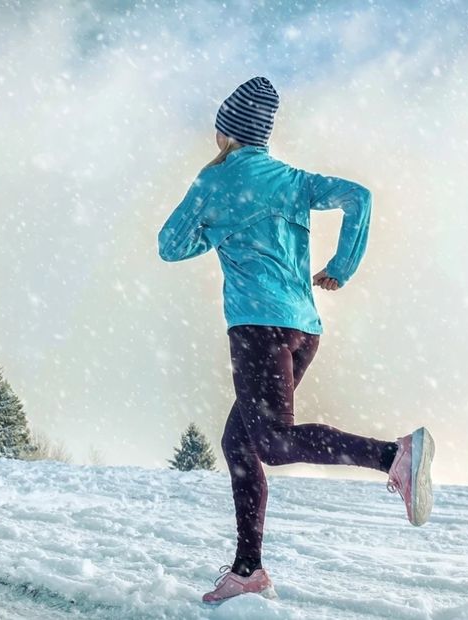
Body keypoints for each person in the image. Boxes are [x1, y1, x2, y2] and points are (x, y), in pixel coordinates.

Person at [157, 76, 435, 605]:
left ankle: (393, 454)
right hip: (303, 328)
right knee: (240, 442)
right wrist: (341, 266)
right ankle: (248, 571)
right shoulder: (291, 179)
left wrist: (215, 231)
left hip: (257, 328)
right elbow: (359, 196)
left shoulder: (212, 183)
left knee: (272, 443)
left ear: (227, 131)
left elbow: (169, 246)